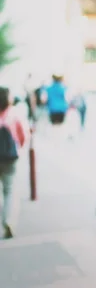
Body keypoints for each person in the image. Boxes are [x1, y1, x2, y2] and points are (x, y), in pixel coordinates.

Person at [0, 87, 29, 239]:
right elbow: (23, 135)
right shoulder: (14, 113)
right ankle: (8, 221)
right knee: (9, 190)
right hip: (10, 158)